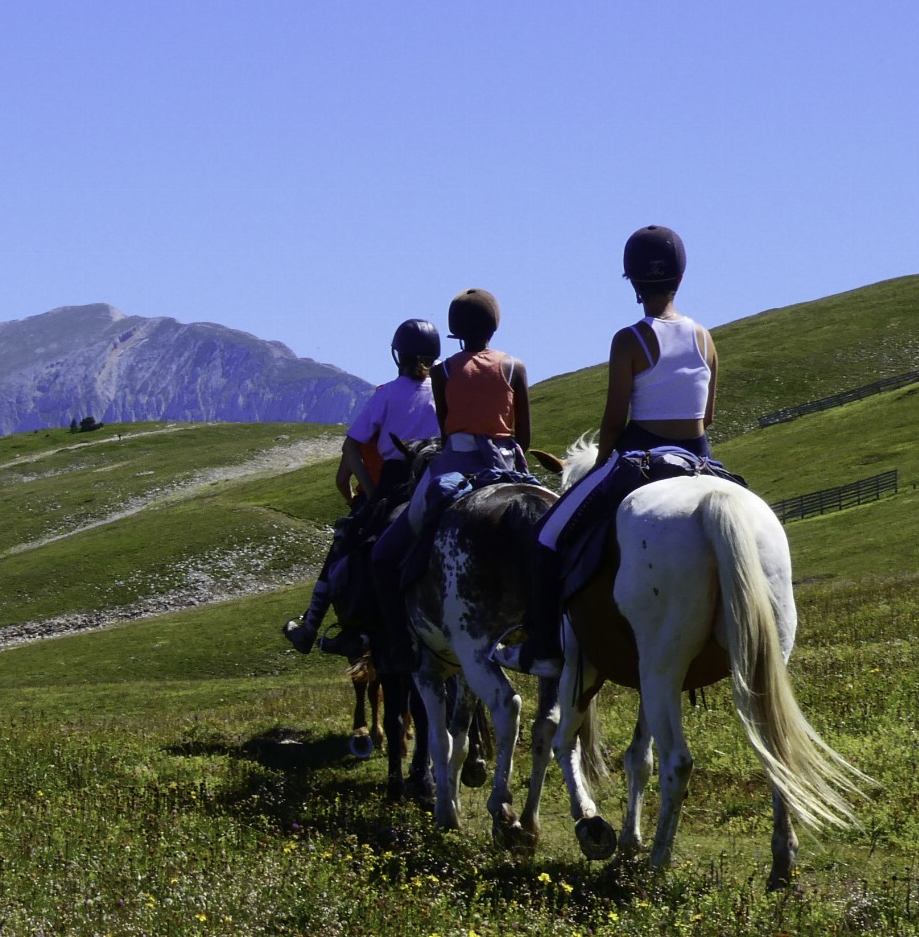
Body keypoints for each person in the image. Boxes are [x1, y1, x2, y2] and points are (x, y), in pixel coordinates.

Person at [492, 225, 718, 678]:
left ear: (633, 282)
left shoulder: (630, 340)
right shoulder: (704, 338)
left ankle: (544, 649)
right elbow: (707, 416)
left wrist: (599, 466)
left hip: (640, 455)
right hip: (699, 456)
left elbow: (615, 421)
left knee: (546, 538)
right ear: (680, 277)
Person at [369, 288, 533, 669]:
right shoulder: (516, 367)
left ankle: (401, 646)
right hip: (509, 464)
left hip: (454, 466)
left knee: (382, 555)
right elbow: (524, 436)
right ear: (495, 325)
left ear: (455, 331)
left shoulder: (442, 373)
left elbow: (445, 432)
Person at [282, 318, 442, 653]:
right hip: (438, 477)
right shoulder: (444, 392)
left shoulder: (387, 394)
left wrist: (371, 491)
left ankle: (312, 626)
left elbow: (351, 447)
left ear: (398, 355)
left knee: (346, 542)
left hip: (397, 480)